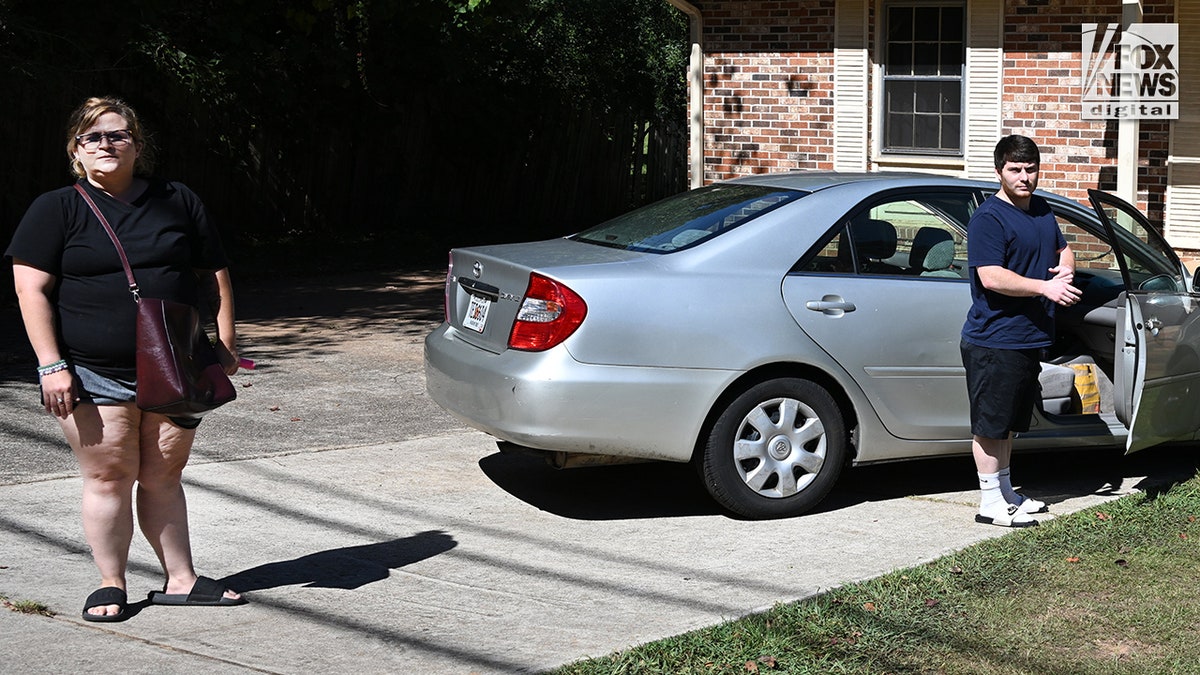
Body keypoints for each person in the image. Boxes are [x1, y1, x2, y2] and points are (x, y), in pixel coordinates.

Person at [5, 96, 247, 621]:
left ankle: (181, 579)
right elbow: (30, 291)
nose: (105, 145)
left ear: (138, 145)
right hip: (92, 368)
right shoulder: (56, 208)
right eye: (92, 137)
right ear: (76, 151)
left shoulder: (176, 198)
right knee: (109, 475)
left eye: (117, 135)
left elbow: (214, 272)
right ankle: (111, 582)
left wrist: (226, 341)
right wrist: (51, 364)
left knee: (164, 474)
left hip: (176, 363)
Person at [960, 134, 1081, 528]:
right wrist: (1045, 287)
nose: (1024, 177)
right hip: (995, 338)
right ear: (1000, 171)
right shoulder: (989, 218)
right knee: (990, 425)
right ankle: (989, 501)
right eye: (1015, 169)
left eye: (1030, 169)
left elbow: (1063, 247)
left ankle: (1008, 492)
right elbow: (991, 276)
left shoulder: (1041, 209)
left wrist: (1067, 269)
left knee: (1010, 424)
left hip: (1029, 336)